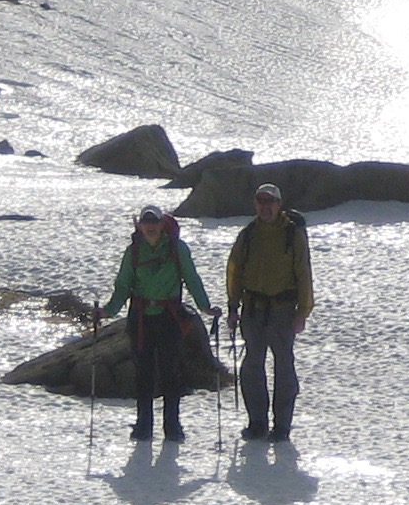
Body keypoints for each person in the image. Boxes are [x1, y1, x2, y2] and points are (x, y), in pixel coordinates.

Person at [99, 205, 213, 444]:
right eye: (146, 222)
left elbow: (192, 278)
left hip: (168, 317)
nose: (150, 227)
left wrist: (204, 306)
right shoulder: (134, 252)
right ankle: (144, 426)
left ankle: (172, 426)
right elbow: (123, 285)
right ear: (139, 225)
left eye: (154, 222)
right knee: (144, 373)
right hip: (141, 318)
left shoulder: (177, 249)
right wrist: (108, 311)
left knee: (170, 370)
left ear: (162, 224)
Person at [223, 179, 314, 441]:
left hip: (283, 310)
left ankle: (282, 425)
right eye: (261, 201)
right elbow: (234, 271)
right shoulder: (248, 234)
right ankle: (257, 422)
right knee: (252, 365)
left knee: (284, 366)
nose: (265, 207)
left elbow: (303, 273)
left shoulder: (291, 233)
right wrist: (233, 305)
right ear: (255, 204)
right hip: (253, 309)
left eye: (270, 202)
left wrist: (303, 312)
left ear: (279, 204)